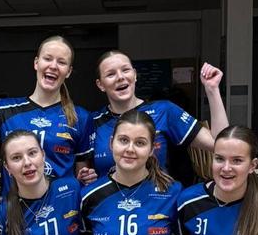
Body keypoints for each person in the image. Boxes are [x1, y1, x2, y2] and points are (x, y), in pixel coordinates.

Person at [0, 35, 89, 183]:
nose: (53, 66)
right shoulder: (4, 110)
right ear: (36, 63)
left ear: (68, 71)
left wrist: (86, 178)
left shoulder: (80, 117)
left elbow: (82, 176)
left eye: (61, 62)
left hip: (62, 198)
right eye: (48, 58)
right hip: (14, 198)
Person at [78, 53, 228, 183]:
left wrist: (212, 90)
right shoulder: (91, 122)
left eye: (125, 70)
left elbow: (221, 144)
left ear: (135, 75)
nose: (120, 77)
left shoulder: (164, 110)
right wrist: (85, 177)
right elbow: (84, 171)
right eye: (111, 74)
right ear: (100, 85)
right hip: (110, 205)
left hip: (160, 203)